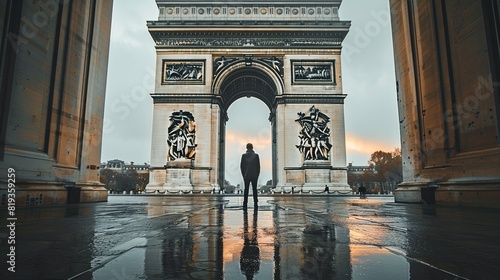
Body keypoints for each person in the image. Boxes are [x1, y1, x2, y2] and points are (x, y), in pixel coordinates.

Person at [240, 143, 260, 209]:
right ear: (252, 147)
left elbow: (241, 166)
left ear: (246, 148)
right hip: (254, 175)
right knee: (255, 189)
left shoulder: (244, 156)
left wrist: (244, 175)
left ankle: (245, 202)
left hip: (246, 175)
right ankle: (255, 201)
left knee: (246, 189)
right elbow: (258, 167)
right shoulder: (256, 156)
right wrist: (257, 175)